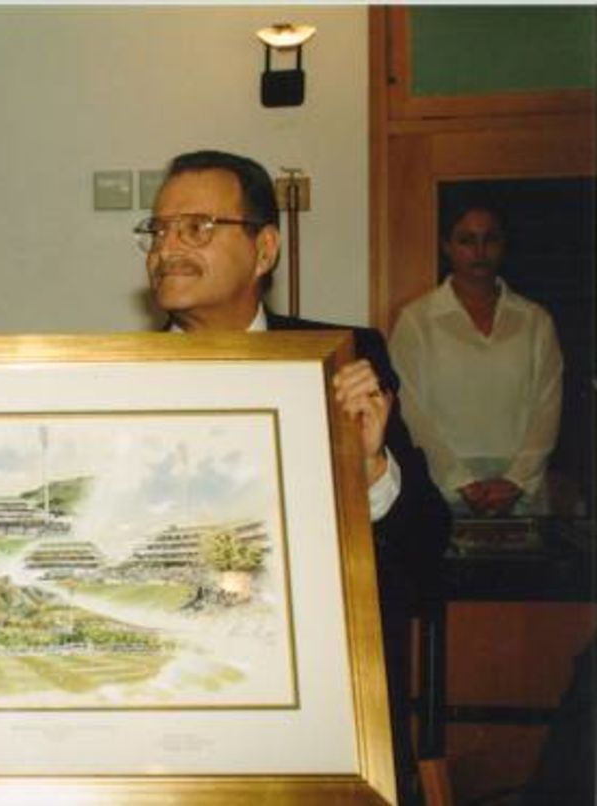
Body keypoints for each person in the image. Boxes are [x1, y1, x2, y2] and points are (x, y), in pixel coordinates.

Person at [135, 149, 451, 805]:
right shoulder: (115, 376)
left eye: (196, 227)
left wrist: (370, 469)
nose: (169, 248)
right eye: (159, 229)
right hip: (166, 716)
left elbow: (425, 548)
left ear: (265, 248)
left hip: (320, 718)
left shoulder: (344, 359)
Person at [388, 202, 563, 517]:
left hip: (521, 493)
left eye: (490, 239)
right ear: (447, 246)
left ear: (503, 245)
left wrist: (515, 480)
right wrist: (459, 481)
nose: (480, 251)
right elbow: (410, 410)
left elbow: (547, 409)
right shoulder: (417, 321)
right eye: (467, 240)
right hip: (440, 488)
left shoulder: (535, 321)